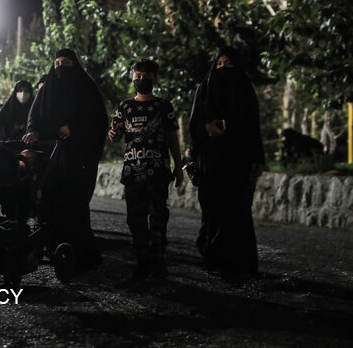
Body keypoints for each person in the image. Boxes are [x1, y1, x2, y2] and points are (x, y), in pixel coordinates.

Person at [23, 48, 107, 269]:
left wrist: (74, 128)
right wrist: (34, 131)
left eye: (66, 63)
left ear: (75, 65)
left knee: (75, 202)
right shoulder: (48, 88)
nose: (60, 67)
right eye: (57, 63)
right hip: (54, 154)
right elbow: (36, 114)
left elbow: (97, 120)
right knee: (50, 200)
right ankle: (54, 249)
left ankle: (80, 254)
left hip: (80, 155)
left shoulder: (86, 88)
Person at [189, 46, 264, 276]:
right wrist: (206, 127)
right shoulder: (204, 89)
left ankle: (238, 263)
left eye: (228, 64)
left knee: (238, 210)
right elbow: (195, 123)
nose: (223, 69)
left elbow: (253, 127)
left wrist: (257, 159)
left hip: (239, 160)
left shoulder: (245, 90)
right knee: (213, 209)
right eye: (218, 64)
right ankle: (214, 259)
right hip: (211, 161)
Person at [108, 58, 184, 286]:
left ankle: (158, 261)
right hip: (132, 173)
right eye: (137, 76)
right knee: (135, 220)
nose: (141, 79)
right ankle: (142, 263)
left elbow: (173, 138)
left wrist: (178, 167)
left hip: (158, 172)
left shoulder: (164, 106)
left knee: (159, 218)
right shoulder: (125, 107)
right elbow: (117, 134)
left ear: (154, 79)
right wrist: (112, 135)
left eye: (145, 76)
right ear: (132, 78)